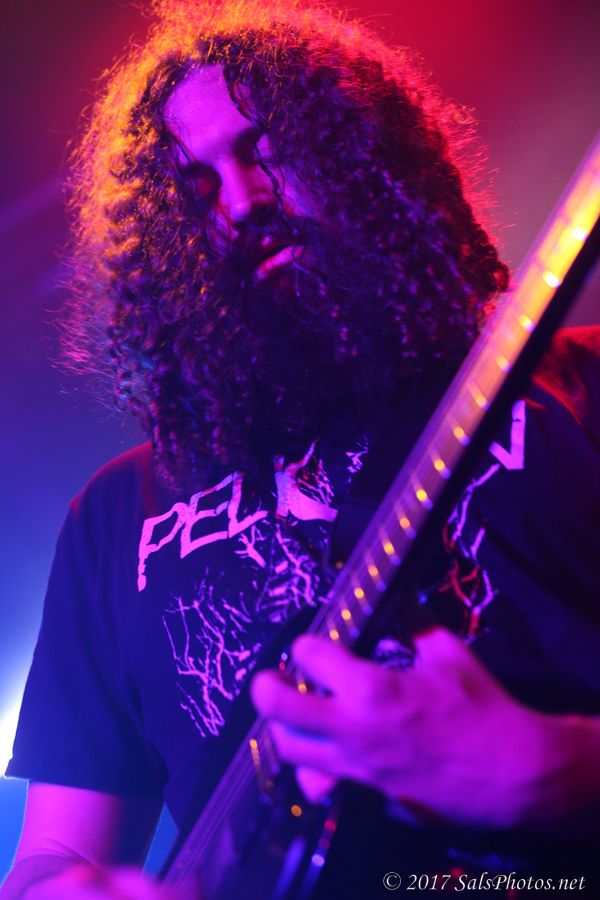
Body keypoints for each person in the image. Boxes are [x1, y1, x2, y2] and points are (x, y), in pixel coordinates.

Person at [3, 1, 600, 897]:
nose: (244, 202)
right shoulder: (116, 516)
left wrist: (559, 771)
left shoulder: (572, 385)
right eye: (196, 187)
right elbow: (55, 853)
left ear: (366, 155)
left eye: (267, 149)